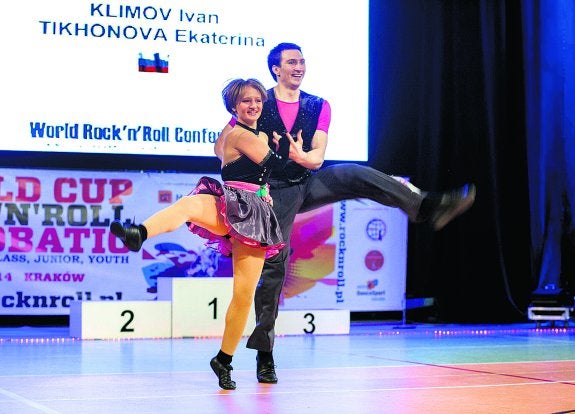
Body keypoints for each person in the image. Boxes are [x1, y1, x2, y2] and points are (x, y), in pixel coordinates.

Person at [214, 42, 477, 384]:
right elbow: (224, 143)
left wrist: (303, 158)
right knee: (275, 267)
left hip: (305, 181)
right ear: (275, 68)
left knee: (353, 174)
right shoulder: (257, 101)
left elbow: (317, 156)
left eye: (302, 61)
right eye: (291, 62)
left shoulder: (318, 105)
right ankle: (265, 354)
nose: (299, 66)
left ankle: (425, 206)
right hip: (272, 191)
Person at [110, 78, 295, 390]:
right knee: (190, 204)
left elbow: (264, 173)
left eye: (257, 100)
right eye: (245, 101)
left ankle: (223, 359)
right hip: (232, 204)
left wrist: (265, 189)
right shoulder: (237, 134)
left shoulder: (259, 134)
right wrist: (290, 144)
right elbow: (278, 165)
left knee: (242, 296)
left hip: (255, 215)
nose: (253, 105)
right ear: (233, 108)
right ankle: (138, 233)